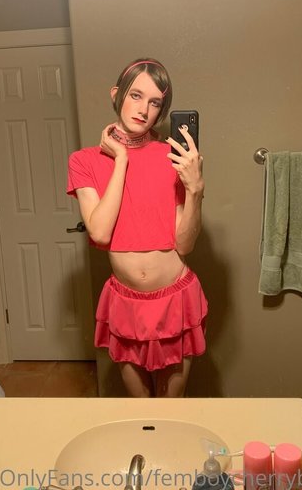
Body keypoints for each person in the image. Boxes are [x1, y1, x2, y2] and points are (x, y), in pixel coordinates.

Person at [67, 58, 207, 397]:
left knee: (172, 405)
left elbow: (185, 245)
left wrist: (195, 190)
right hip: (125, 303)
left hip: (176, 300)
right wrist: (121, 160)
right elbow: (100, 232)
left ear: (161, 111)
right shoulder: (83, 161)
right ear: (116, 94)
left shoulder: (173, 158)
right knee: (139, 405)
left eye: (155, 102)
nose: (144, 109)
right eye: (136, 95)